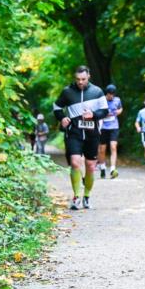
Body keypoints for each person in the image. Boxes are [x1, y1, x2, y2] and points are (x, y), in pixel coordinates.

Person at [53, 66, 108, 210]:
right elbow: (56, 107)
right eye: (77, 79)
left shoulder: (97, 92)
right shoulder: (67, 92)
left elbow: (105, 111)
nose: (80, 82)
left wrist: (94, 115)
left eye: (83, 79)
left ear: (88, 76)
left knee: (90, 166)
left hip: (92, 134)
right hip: (74, 133)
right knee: (75, 163)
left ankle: (87, 196)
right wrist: (62, 118)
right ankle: (76, 196)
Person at [97, 84, 123, 179]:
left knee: (113, 146)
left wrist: (118, 112)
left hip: (114, 127)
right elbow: (97, 113)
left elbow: (120, 108)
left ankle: (112, 169)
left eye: (113, 94)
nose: (111, 96)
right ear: (106, 94)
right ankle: (103, 167)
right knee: (102, 149)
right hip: (103, 127)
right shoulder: (101, 101)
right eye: (109, 95)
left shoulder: (117, 100)